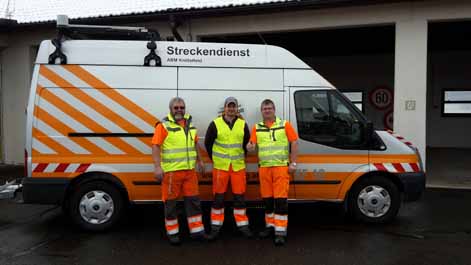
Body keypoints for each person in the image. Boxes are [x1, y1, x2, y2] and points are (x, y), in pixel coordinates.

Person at [152, 97, 206, 245]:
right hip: (171, 173)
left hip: (190, 172)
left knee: (193, 202)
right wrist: (157, 167)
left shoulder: (190, 124)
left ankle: (197, 232)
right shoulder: (163, 126)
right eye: (176, 108)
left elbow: (194, 144)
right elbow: (156, 146)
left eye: (182, 107)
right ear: (171, 109)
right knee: (171, 204)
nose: (179, 110)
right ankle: (173, 233)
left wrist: (200, 161)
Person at [246, 99, 298, 246]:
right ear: (261, 111)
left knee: (280, 201)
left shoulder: (284, 124)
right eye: (264, 109)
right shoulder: (257, 127)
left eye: (269, 108)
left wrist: (293, 163)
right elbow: (252, 145)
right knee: (268, 202)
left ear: (274, 110)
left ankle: (280, 232)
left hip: (281, 168)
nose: (267, 110)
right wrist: (249, 147)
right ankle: (270, 227)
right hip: (264, 169)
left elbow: (294, 142)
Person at [204, 97, 253, 240]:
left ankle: (243, 227)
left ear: (237, 109)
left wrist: (249, 148)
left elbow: (246, 144)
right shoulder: (215, 124)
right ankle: (215, 229)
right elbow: (208, 144)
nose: (231, 109)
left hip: (238, 167)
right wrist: (216, 160)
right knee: (218, 199)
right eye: (229, 106)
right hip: (221, 168)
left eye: (234, 106)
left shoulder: (243, 124)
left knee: (240, 199)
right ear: (224, 108)